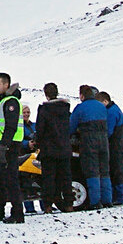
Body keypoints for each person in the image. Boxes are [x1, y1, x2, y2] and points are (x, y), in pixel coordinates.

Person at [0, 73, 27, 223]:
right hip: (1, 145)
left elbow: (11, 127)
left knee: (11, 180)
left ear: (6, 85)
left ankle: (17, 213)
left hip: (9, 146)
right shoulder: (2, 101)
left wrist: (4, 147)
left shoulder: (11, 102)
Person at [35, 82, 74, 213]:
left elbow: (40, 130)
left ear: (46, 94)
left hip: (48, 149)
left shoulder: (44, 110)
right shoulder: (65, 108)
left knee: (48, 179)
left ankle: (48, 205)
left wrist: (38, 143)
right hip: (64, 148)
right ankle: (69, 204)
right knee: (66, 178)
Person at [71, 85, 112, 207]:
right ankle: (107, 200)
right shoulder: (101, 106)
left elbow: (71, 126)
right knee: (104, 171)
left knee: (92, 171)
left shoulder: (80, 108)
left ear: (82, 95)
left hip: (89, 142)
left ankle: (95, 202)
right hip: (104, 142)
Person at [103, 92, 123, 207]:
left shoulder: (111, 112)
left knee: (118, 171)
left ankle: (120, 197)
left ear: (105, 101)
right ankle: (119, 196)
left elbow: (108, 131)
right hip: (119, 145)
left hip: (116, 146)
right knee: (118, 171)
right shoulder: (115, 109)